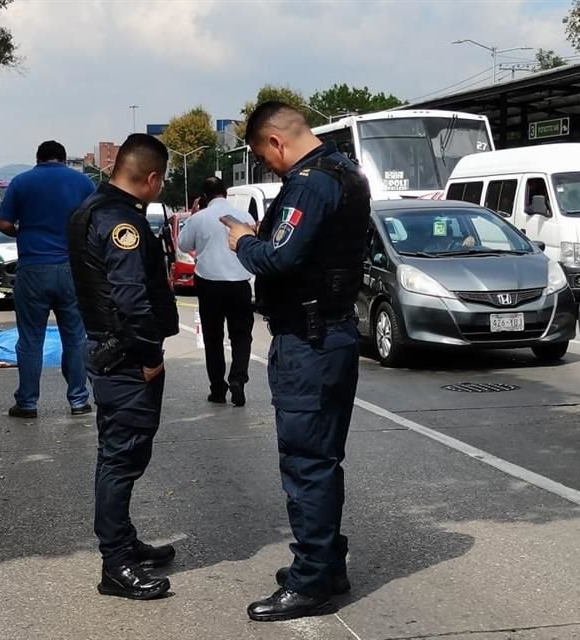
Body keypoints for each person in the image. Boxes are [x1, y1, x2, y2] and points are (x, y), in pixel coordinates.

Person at [221, 102, 371, 622]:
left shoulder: (309, 184)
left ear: (275, 143)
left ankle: (310, 582)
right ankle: (326, 563)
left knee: (306, 462)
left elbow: (280, 257)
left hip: (308, 342)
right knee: (323, 458)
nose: (268, 167)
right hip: (333, 333)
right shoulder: (348, 172)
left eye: (264, 157)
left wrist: (243, 242)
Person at [67, 134, 179, 601]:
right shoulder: (120, 222)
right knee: (122, 458)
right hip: (127, 357)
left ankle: (123, 541)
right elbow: (131, 298)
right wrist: (151, 357)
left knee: (116, 452)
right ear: (151, 178)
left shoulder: (91, 208)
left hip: (107, 349)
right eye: (162, 180)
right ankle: (116, 564)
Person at [0, 140, 95, 419]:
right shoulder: (83, 183)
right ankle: (78, 400)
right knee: (76, 337)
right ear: (63, 159)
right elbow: (96, 220)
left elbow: (2, 223)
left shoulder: (21, 182)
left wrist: (23, 233)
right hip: (71, 269)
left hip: (32, 269)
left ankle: (27, 403)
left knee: (30, 339)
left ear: (38, 159)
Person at [177, 176, 255, 406]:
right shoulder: (244, 216)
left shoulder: (199, 218)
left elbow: (183, 245)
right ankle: (238, 378)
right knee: (241, 336)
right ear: (226, 194)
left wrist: (192, 217)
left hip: (209, 283)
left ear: (203, 198)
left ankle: (218, 388)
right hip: (240, 282)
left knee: (212, 338)